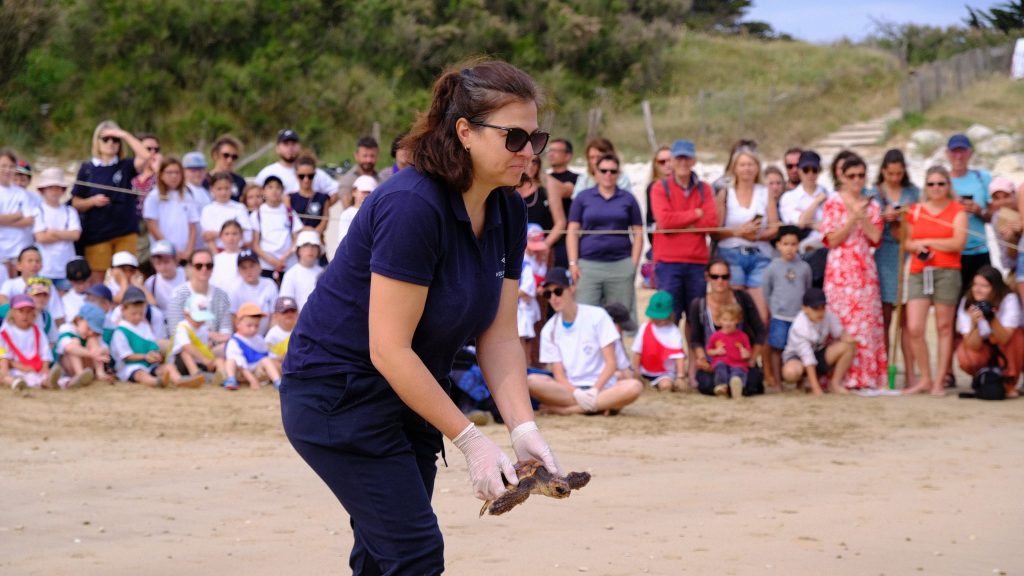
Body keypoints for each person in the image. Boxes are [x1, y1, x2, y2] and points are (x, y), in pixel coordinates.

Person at [281, 60, 560, 573]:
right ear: (465, 132)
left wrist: (522, 428)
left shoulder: (509, 210)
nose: (528, 153)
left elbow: (498, 335)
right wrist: (471, 439)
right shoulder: (413, 205)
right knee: (413, 553)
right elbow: (387, 347)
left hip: (412, 393)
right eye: (514, 137)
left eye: (536, 138)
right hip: (338, 396)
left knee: (381, 554)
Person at [526, 267, 643, 414]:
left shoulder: (597, 316)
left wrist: (595, 390)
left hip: (602, 387)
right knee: (531, 381)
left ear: (572, 288)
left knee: (634, 386)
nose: (553, 298)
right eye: (548, 294)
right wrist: (577, 393)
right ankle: (599, 405)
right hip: (570, 389)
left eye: (558, 291)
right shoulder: (549, 330)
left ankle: (569, 410)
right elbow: (559, 374)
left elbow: (611, 363)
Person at [820, 155, 886, 392]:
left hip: (864, 269)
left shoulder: (874, 205)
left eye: (861, 175)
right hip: (840, 269)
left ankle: (865, 376)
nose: (857, 180)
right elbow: (831, 238)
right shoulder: (833, 203)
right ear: (842, 177)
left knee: (866, 323)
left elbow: (876, 238)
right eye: (852, 176)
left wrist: (864, 218)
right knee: (841, 322)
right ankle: (839, 375)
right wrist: (851, 219)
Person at [903, 166, 968, 395]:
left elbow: (958, 243)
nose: (936, 188)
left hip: (947, 271)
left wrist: (928, 241)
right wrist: (918, 246)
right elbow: (907, 242)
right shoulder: (916, 210)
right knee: (914, 327)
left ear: (948, 185)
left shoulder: (957, 210)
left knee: (943, 327)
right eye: (931, 184)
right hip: (920, 271)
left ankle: (940, 381)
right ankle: (925, 378)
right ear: (925, 186)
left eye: (941, 183)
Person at [70, 121, 151, 284]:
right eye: (105, 139)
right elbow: (76, 202)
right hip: (97, 233)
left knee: (126, 277)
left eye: (115, 140)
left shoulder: (126, 165)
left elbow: (145, 156)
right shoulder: (87, 168)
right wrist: (92, 201)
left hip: (125, 231)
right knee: (97, 279)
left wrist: (124, 134)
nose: (110, 143)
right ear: (97, 142)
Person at [567, 153, 643, 321]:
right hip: (588, 265)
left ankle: (616, 348)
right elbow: (572, 230)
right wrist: (573, 263)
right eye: (604, 170)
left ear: (618, 174)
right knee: (584, 316)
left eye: (613, 171)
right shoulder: (583, 197)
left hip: (620, 264)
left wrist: (633, 264)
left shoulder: (628, 198)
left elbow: (638, 232)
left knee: (620, 317)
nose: (608, 174)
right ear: (596, 172)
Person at [649, 139, 717, 327]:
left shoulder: (705, 188)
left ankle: (695, 357)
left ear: (694, 160)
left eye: (687, 158)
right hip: (669, 263)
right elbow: (664, 222)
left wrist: (679, 223)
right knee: (669, 317)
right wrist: (695, 213)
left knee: (697, 320)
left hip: (697, 262)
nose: (683, 163)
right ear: (672, 160)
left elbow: (711, 223)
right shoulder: (659, 187)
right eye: (679, 158)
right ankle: (671, 356)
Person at [867, 149, 919, 382]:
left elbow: (919, 221)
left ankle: (909, 373)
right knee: (885, 318)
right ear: (883, 172)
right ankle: (884, 371)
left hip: (906, 252)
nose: (895, 178)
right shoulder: (873, 193)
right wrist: (882, 216)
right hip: (883, 254)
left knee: (907, 321)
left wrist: (903, 217)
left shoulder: (913, 192)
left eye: (899, 173)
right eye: (890, 174)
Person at [713, 146, 777, 324]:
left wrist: (755, 236)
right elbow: (715, 231)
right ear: (735, 168)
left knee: (762, 316)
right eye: (742, 165)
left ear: (757, 167)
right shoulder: (725, 193)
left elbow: (774, 228)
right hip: (731, 254)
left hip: (760, 255)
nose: (747, 168)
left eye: (750, 164)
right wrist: (738, 232)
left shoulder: (765, 192)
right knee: (734, 315)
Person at [688, 258, 767, 396]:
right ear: (707, 277)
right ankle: (730, 387)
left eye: (725, 277)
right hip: (714, 363)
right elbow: (695, 339)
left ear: (730, 277)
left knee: (755, 382)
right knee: (705, 384)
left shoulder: (742, 298)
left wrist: (752, 358)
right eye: (715, 277)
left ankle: (731, 386)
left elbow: (760, 330)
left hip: (740, 362)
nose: (720, 281)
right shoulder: (699, 304)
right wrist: (701, 359)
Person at [955, 266, 1023, 397]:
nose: (978, 290)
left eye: (984, 286)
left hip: (1003, 345)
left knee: (1017, 336)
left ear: (995, 289)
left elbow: (1005, 338)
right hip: (984, 347)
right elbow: (973, 346)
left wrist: (991, 318)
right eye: (975, 284)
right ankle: (985, 377)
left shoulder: (1008, 299)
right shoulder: (967, 302)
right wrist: (974, 323)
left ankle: (1009, 381)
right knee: (965, 353)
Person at [111, 288, 200, 388]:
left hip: (149, 364)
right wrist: (145, 356)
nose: (138, 317)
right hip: (130, 366)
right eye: (133, 313)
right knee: (140, 375)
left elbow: (152, 344)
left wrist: (155, 354)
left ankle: (179, 380)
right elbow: (126, 356)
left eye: (141, 313)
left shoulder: (144, 326)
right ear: (123, 310)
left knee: (168, 367)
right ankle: (156, 382)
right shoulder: (120, 331)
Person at [762, 225, 812, 391]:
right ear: (778, 245)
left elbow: (807, 289)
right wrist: (773, 310)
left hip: (799, 317)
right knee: (777, 348)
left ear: (798, 245)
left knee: (802, 348)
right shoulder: (772, 268)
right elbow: (767, 291)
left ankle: (801, 381)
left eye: (793, 244)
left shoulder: (804, 267)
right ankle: (777, 382)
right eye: (785, 244)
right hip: (780, 316)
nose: (789, 248)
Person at [781, 288, 857, 395]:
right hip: (797, 357)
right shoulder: (799, 327)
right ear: (804, 308)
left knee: (848, 347)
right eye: (815, 308)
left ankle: (835, 384)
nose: (820, 312)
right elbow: (807, 357)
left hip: (818, 353)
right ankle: (803, 381)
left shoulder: (828, 315)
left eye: (823, 308)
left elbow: (839, 333)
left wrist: (849, 338)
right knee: (790, 372)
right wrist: (816, 389)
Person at [779, 150, 832, 288]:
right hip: (803, 253)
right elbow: (800, 223)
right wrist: (817, 202)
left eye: (814, 170)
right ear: (800, 170)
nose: (810, 174)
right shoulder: (789, 197)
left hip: (828, 250)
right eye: (806, 169)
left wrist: (809, 221)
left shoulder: (831, 195)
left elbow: (832, 225)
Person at [946, 134, 992, 290]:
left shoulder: (982, 178)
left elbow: (994, 217)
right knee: (954, 303)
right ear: (947, 153)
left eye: (962, 151)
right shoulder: (940, 182)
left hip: (979, 250)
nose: (958, 156)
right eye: (954, 151)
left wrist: (979, 210)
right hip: (952, 253)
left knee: (983, 300)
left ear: (970, 153)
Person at [166, 249, 232, 345]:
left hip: (215, 348)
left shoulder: (222, 295)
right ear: (190, 268)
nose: (204, 269)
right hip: (187, 348)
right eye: (199, 266)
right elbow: (175, 331)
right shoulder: (179, 294)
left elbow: (226, 333)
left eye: (209, 266)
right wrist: (210, 335)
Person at [31, 168, 81, 291]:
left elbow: (75, 235)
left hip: (65, 268)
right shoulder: (38, 210)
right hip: (44, 268)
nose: (54, 191)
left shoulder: (70, 211)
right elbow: (41, 237)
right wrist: (64, 234)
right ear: (43, 190)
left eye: (58, 187)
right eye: (50, 188)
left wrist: (53, 232)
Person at [143, 158, 199, 263]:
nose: (174, 176)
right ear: (161, 175)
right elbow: (152, 227)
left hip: (185, 254)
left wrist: (188, 251)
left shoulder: (187, 196)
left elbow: (193, 227)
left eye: (177, 172)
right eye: (169, 172)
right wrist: (170, 250)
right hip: (162, 252)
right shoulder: (154, 196)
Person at [255, 129, 338, 197]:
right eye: (286, 144)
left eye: (293, 144)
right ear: (277, 148)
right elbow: (255, 195)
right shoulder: (267, 173)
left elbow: (335, 190)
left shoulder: (312, 172)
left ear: (299, 146)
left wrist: (321, 208)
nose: (290, 148)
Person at [631, 290, 686, 391]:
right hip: (644, 371)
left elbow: (679, 357)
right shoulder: (644, 327)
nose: (657, 320)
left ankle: (659, 385)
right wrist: (636, 370)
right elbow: (637, 352)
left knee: (666, 386)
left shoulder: (673, 331)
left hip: (664, 373)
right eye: (655, 317)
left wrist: (680, 376)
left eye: (661, 317)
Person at [251, 175, 300, 283]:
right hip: (266, 265)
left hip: (288, 263)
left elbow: (296, 239)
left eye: (278, 187)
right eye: (270, 187)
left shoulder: (290, 212)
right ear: (263, 191)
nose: (274, 191)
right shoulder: (257, 214)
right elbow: (255, 244)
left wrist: (284, 257)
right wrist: (273, 261)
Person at [1, 246, 65, 326]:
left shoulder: (48, 285)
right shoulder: (10, 284)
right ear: (19, 266)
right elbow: (2, 300)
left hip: (43, 324)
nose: (34, 264)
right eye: (30, 261)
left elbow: (57, 314)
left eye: (37, 261)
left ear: (42, 265)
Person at [169, 293, 225, 385]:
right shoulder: (182, 327)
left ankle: (222, 375)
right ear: (186, 314)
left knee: (219, 360)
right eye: (197, 319)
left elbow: (204, 346)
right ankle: (195, 374)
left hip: (200, 362)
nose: (200, 322)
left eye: (202, 319)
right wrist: (204, 359)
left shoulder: (203, 328)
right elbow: (186, 346)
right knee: (184, 351)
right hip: (182, 364)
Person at [224, 302, 281, 390]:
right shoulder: (234, 341)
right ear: (238, 324)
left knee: (266, 360)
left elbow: (266, 354)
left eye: (256, 326)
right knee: (230, 361)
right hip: (241, 370)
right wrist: (252, 380)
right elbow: (240, 363)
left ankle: (277, 381)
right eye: (249, 325)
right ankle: (231, 379)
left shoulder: (259, 338)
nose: (253, 329)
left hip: (255, 367)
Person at [2, 294, 55, 390]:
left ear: (33, 314)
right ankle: (17, 383)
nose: (25, 315)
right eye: (21, 311)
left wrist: (45, 367)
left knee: (47, 374)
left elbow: (45, 352)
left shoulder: (38, 331)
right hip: (16, 368)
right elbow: (5, 357)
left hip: (36, 367)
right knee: (18, 376)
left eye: (29, 312)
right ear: (13, 313)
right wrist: (21, 367)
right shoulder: (6, 333)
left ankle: (68, 382)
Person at [518, 155, 565, 260]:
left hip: (539, 250)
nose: (530, 165)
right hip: (512, 247)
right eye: (526, 161)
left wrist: (545, 244)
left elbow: (560, 222)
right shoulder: (506, 187)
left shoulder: (547, 186)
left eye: (535, 161)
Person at [54, 302, 109, 387]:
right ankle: (79, 374)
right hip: (68, 366)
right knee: (75, 342)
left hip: (88, 366)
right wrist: (93, 354)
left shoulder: (92, 336)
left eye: (95, 331)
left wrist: (100, 351)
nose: (90, 332)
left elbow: (106, 349)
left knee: (93, 340)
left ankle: (100, 373)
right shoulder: (67, 328)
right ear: (79, 320)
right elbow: (69, 348)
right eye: (89, 328)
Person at [0, 150, 35, 276]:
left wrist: (4, 221)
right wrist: (17, 215)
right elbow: (23, 217)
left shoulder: (21, 193)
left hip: (19, 250)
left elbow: (29, 220)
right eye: (3, 166)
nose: (7, 170)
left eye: (11, 166)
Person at [706, 303, 751, 399]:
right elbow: (709, 351)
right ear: (719, 321)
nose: (728, 323)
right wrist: (717, 351)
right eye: (725, 320)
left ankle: (736, 388)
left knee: (738, 372)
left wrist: (745, 354)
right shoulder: (716, 336)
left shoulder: (742, 336)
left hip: (737, 363)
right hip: (722, 362)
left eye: (732, 320)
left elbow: (748, 352)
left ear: (738, 320)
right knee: (720, 367)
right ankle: (722, 388)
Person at [229, 249, 278, 335]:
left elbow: (275, 315)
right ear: (239, 271)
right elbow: (232, 318)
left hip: (266, 338)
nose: (248, 271)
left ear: (259, 267)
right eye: (244, 267)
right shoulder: (234, 288)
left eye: (252, 266)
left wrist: (268, 339)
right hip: (243, 338)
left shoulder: (270, 284)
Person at [545, 138, 577, 268]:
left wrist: (540, 174)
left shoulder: (575, 178)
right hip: (542, 237)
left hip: (565, 241)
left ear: (568, 156)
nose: (551, 154)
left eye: (556, 151)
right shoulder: (543, 179)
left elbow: (566, 190)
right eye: (549, 150)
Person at [200, 172, 252, 248]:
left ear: (231, 188)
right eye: (219, 189)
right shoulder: (207, 210)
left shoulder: (240, 208)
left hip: (237, 251)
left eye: (226, 188)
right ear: (212, 189)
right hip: (216, 252)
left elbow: (247, 234)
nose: (223, 192)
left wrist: (216, 234)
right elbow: (207, 236)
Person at [279, 230, 323, 311]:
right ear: (298, 250)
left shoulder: (324, 273)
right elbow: (286, 305)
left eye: (314, 246)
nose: (310, 249)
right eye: (306, 245)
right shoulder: (291, 274)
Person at [287, 155, 331, 233]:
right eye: (302, 176)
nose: (306, 180)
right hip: (297, 240)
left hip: (316, 240)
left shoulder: (323, 198)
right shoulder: (289, 198)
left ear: (315, 174)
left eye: (310, 176)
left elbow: (324, 222)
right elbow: (289, 222)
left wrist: (313, 234)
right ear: (296, 175)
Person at [336, 136, 382, 209]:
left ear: (377, 156)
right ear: (356, 156)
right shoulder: (347, 181)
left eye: (372, 156)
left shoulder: (383, 180)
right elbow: (347, 207)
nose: (368, 160)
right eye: (365, 156)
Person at [144, 240, 186, 313]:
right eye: (158, 263)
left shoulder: (186, 275)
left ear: (175, 260)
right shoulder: (151, 283)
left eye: (166, 262)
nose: (163, 267)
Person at [205, 135, 247, 202]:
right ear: (215, 155)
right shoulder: (204, 181)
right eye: (226, 155)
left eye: (234, 157)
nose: (230, 160)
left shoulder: (240, 182)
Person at [337, 175, 376, 244]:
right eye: (363, 192)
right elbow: (343, 241)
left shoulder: (377, 214)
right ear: (354, 192)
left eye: (369, 192)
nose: (366, 195)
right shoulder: (347, 214)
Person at [209, 221, 243, 292]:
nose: (231, 237)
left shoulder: (246, 258)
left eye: (234, 234)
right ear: (221, 236)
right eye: (227, 234)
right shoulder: (215, 259)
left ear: (241, 236)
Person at [265, 296, 297, 369]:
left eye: (292, 311)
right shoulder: (272, 334)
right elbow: (267, 356)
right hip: (279, 367)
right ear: (276, 315)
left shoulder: (300, 330)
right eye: (284, 312)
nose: (289, 314)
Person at [61, 258, 93, 331]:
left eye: (84, 281)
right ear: (70, 281)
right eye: (77, 283)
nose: (81, 286)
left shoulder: (97, 295)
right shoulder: (66, 299)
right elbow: (73, 320)